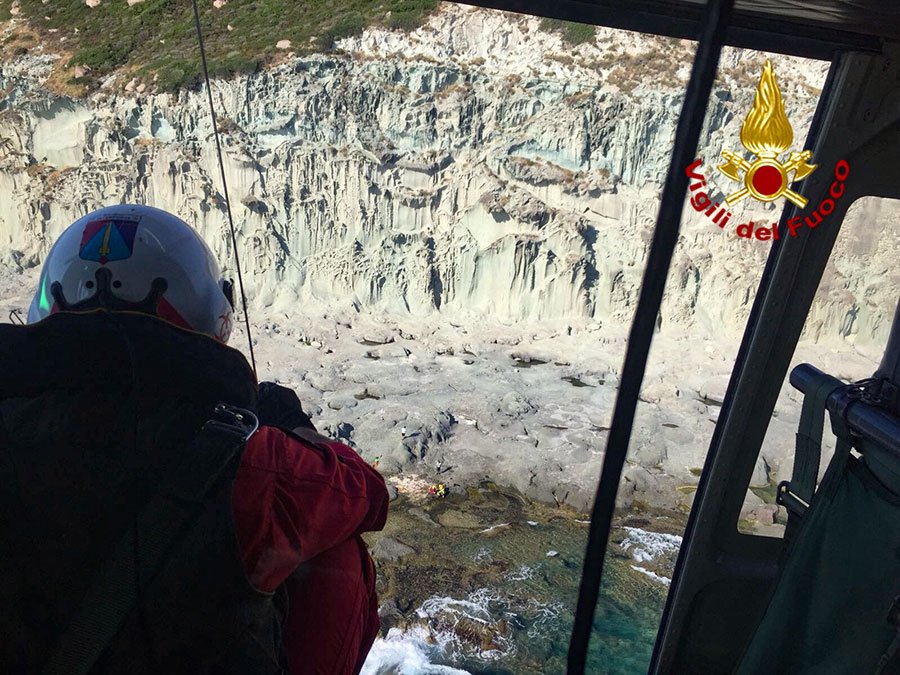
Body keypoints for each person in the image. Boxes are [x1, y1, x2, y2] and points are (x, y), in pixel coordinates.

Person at [2, 204, 388, 674]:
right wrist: (290, 426)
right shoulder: (246, 460)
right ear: (207, 312)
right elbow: (364, 495)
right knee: (339, 554)